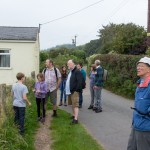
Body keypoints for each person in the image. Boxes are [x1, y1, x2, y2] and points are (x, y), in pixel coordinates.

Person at [127, 57, 150, 150]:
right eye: (138, 66)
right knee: (130, 148)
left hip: (146, 127)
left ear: (149, 69)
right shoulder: (140, 82)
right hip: (136, 125)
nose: (138, 68)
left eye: (141, 66)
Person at [66, 60, 82, 124]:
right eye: (67, 64)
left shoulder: (77, 71)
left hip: (74, 91)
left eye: (69, 64)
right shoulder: (71, 71)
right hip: (70, 91)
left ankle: (75, 119)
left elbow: (80, 82)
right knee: (72, 104)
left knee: (75, 105)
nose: (68, 65)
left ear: (73, 64)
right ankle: (74, 115)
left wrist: (76, 90)